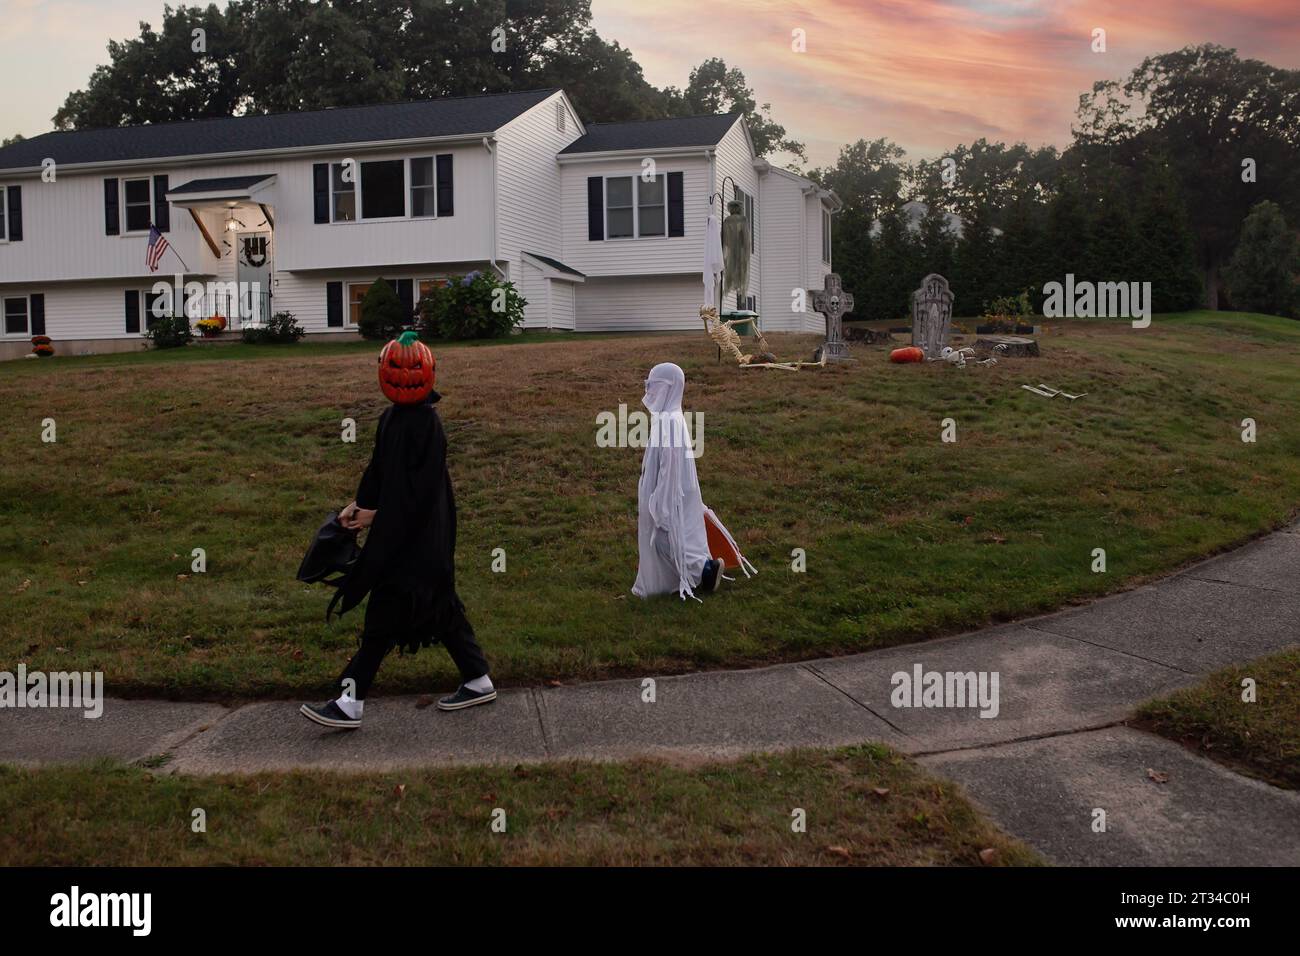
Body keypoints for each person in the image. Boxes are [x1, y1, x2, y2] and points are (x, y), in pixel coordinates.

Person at [301, 332, 494, 729]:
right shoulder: (392, 418)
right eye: (396, 370)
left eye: (411, 371)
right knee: (440, 609)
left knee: (384, 618)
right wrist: (358, 506)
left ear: (426, 374)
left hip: (421, 534)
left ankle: (349, 701)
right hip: (403, 533)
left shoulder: (427, 425)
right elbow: (379, 470)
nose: (404, 377)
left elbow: (418, 495)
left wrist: (378, 516)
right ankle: (478, 678)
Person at [632, 362, 722, 601]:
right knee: (682, 533)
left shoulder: (670, 421)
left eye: (653, 386)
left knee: (667, 537)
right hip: (677, 490)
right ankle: (682, 574)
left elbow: (668, 468)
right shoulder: (669, 417)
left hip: (672, 492)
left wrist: (661, 502)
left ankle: (704, 571)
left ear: (669, 387)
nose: (649, 392)